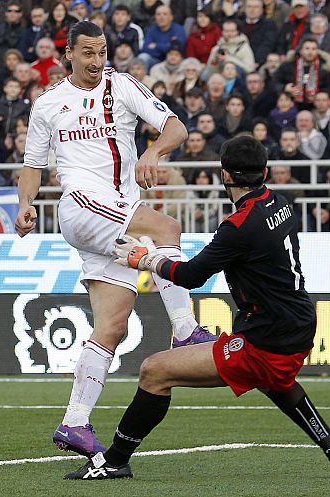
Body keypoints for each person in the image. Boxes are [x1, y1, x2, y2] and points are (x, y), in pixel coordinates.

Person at [64, 135, 330, 480]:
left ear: (224, 175)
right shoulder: (280, 202)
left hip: (266, 338)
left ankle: (114, 461)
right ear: (265, 172)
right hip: (299, 324)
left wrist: (145, 259)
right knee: (274, 379)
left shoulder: (238, 227)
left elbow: (190, 275)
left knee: (154, 371)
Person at [15, 21, 212, 459]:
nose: (96, 60)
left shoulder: (121, 86)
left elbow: (176, 127)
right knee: (166, 229)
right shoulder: (47, 103)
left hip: (114, 216)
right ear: (68, 54)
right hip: (82, 204)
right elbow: (32, 165)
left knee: (112, 326)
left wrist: (153, 150)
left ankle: (74, 422)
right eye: (87, 52)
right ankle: (184, 330)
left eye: (102, 51)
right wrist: (26, 203)